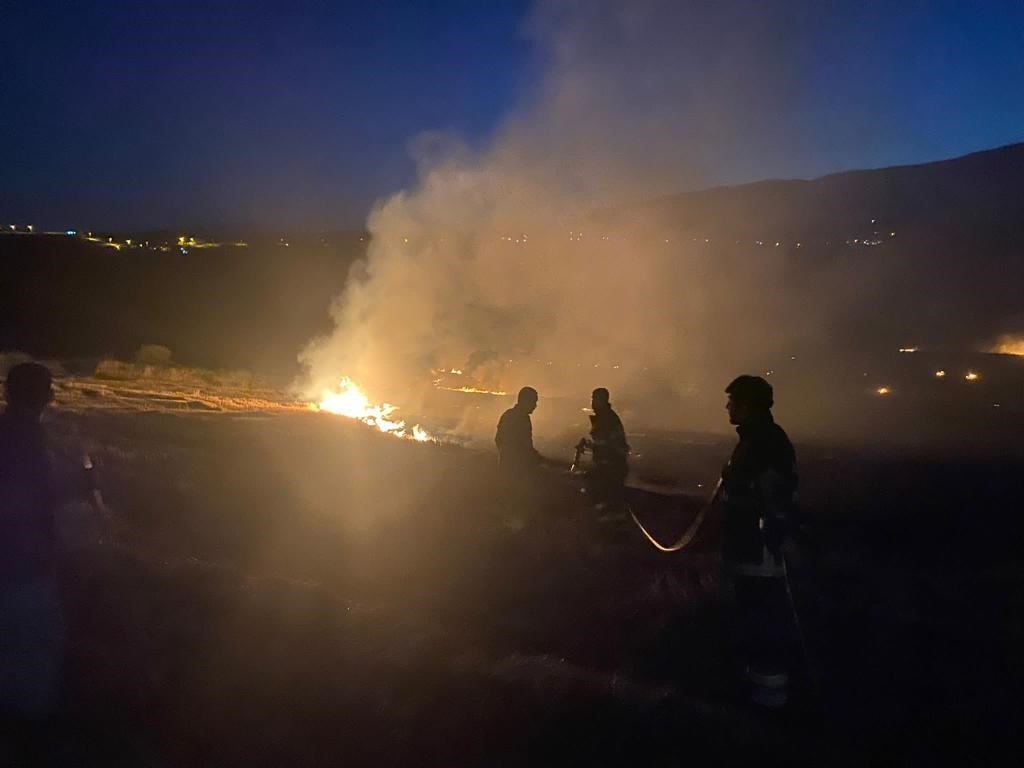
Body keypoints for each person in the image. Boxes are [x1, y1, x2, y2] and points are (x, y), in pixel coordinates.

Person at [0, 362, 91, 727]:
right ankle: (25, 727)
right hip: (25, 563)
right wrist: (83, 483)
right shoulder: (34, 440)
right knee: (33, 645)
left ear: (7, 393)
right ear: (49, 398)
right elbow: (36, 494)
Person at [719, 374, 799, 707]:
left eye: (732, 402)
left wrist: (773, 535)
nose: (727, 407)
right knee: (751, 616)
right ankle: (756, 686)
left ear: (747, 405)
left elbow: (772, 497)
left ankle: (769, 698)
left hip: (759, 550)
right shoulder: (756, 438)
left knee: (762, 618)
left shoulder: (764, 441)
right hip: (748, 547)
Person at [581, 388, 629, 509]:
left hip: (610, 467)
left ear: (601, 400)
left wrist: (589, 445)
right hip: (609, 465)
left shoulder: (606, 418)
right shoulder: (606, 416)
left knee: (605, 499)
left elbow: (608, 444)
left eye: (594, 399)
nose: (591, 402)